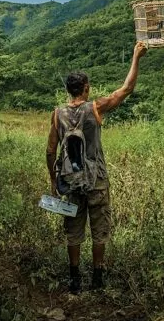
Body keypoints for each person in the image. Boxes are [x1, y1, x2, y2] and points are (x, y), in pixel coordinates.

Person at [46, 41, 148, 294]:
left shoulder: (57, 113)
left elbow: (50, 151)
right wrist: (136, 56)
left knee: (73, 231)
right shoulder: (95, 108)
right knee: (99, 230)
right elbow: (127, 89)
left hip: (70, 182)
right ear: (86, 88)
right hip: (96, 181)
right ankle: (98, 278)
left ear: (69, 91)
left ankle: (74, 280)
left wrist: (53, 181)